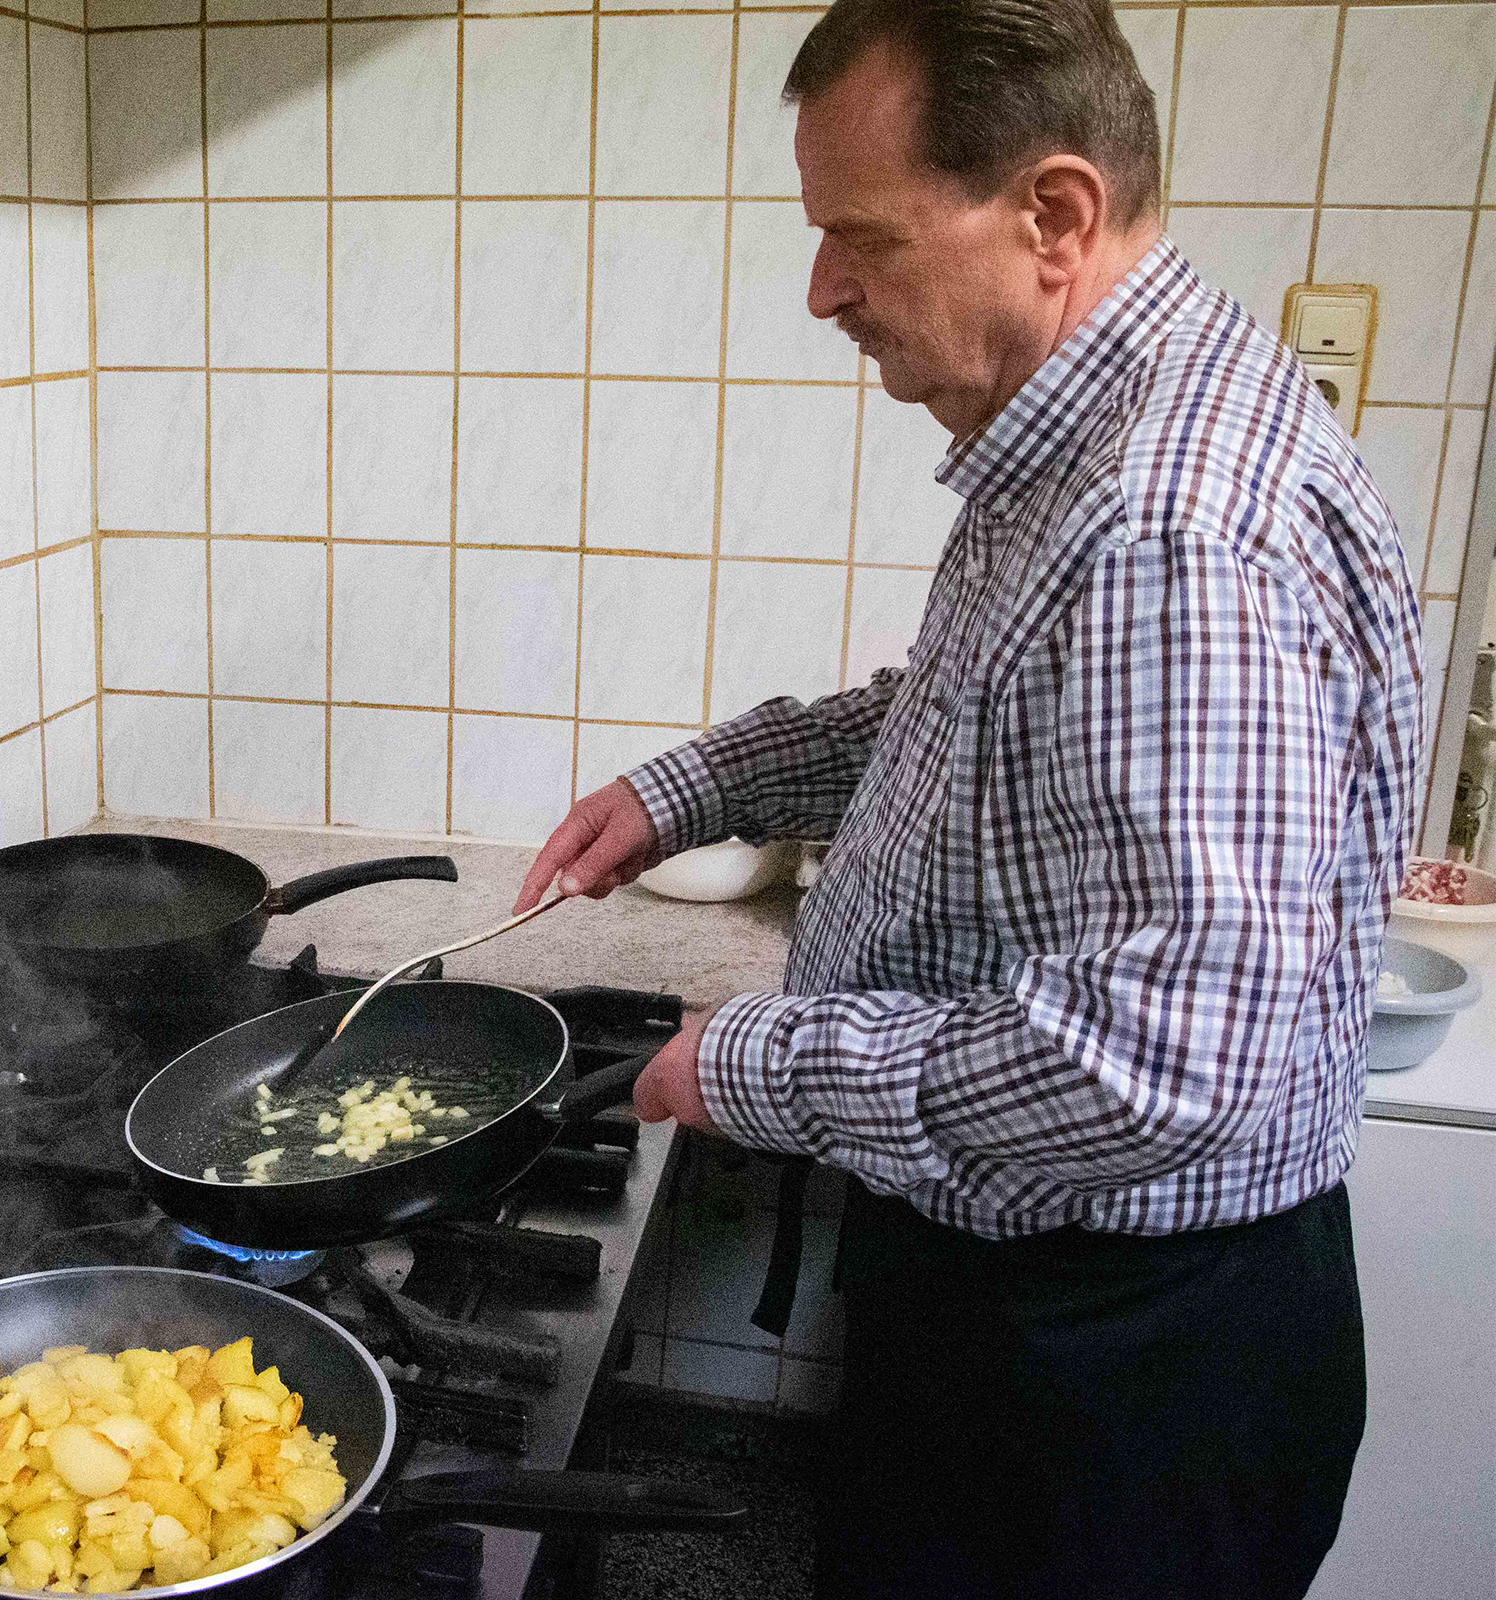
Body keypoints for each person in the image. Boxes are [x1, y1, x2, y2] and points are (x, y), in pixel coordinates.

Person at [514, 0, 1424, 1595]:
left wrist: (760, 1061)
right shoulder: (1087, 444)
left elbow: (1152, 1059)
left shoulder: (1168, 526)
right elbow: (960, 717)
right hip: (1044, 1308)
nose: (822, 291)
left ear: (1054, 215)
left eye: (861, 238)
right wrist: (700, 784)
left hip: (1116, 1367)